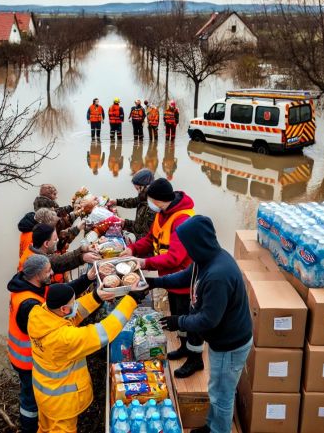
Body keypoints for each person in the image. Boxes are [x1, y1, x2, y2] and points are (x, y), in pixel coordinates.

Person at [150, 216, 253, 433]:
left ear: (197, 243)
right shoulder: (204, 260)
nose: (185, 249)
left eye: (187, 244)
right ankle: (212, 426)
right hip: (220, 340)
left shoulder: (218, 274)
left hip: (230, 344)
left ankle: (218, 430)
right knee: (216, 388)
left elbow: (208, 319)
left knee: (221, 395)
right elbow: (183, 277)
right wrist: (153, 282)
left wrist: (177, 321)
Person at [28, 282, 146, 432]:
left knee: (44, 428)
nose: (76, 305)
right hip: (62, 404)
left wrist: (96, 297)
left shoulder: (38, 314)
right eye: (73, 303)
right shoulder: (65, 339)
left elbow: (72, 315)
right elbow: (104, 332)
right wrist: (131, 300)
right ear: (64, 309)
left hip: (44, 394)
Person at [120, 178, 204, 378]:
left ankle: (195, 359)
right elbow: (151, 239)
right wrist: (132, 248)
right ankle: (184, 347)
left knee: (190, 320)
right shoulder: (162, 214)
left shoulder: (182, 219)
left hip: (186, 280)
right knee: (178, 318)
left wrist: (144, 263)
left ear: (157, 200)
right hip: (171, 280)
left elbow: (175, 257)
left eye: (149, 199)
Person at [7, 255, 101, 433]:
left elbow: (59, 294)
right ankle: (29, 428)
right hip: (29, 359)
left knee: (35, 399)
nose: (52, 273)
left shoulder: (26, 285)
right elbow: (51, 330)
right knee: (30, 400)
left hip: (25, 355)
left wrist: (86, 279)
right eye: (48, 271)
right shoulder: (30, 304)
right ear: (37, 275)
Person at [19, 224, 101, 278]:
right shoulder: (38, 261)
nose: (58, 240)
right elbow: (59, 261)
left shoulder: (33, 249)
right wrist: (82, 257)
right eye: (55, 239)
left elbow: (58, 259)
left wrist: (83, 250)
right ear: (46, 243)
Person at [108, 169, 156, 240]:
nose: (138, 192)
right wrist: (116, 202)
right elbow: (134, 201)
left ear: (145, 186)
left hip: (145, 246)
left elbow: (143, 231)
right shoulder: (143, 197)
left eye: (138, 189)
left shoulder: (152, 206)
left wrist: (126, 223)